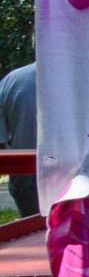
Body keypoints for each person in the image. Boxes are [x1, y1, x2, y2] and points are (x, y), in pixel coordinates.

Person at [0, 62, 37, 218]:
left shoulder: (12, 80)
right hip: (76, 178)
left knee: (32, 233)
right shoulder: (85, 79)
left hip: (26, 177)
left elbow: (1, 142)